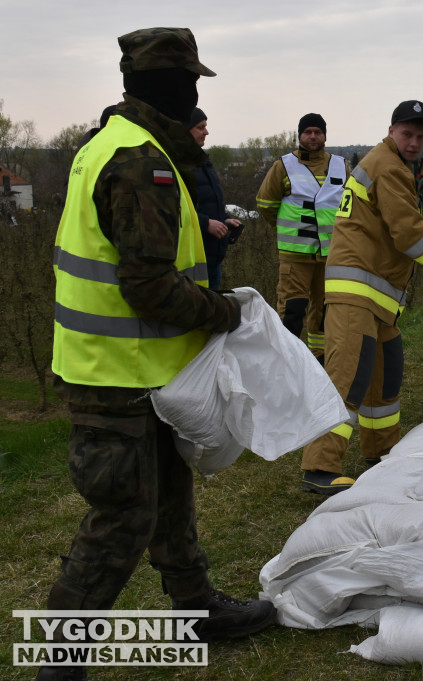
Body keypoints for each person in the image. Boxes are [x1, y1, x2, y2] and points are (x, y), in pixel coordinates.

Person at [42, 27, 275, 681]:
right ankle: (59, 661)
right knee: (122, 515)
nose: (196, 93)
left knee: (170, 493)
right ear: (168, 86)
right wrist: (224, 311)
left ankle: (197, 606)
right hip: (113, 374)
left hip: (136, 368)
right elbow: (146, 286)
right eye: (191, 82)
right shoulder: (140, 160)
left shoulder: (107, 143)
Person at [298, 100, 423, 495]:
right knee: (348, 378)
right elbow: (409, 236)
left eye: (421, 136)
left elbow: (403, 223)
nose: (415, 142)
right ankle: (320, 466)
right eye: (408, 134)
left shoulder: (395, 166)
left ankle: (382, 450)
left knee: (384, 376)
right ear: (392, 130)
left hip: (377, 297)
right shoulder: (388, 166)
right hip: (355, 292)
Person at [256, 113, 347, 360]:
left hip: (331, 253)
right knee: (292, 311)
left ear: (325, 135)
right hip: (295, 254)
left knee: (326, 310)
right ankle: (288, 362)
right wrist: (288, 228)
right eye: (308, 132)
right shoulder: (283, 166)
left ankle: (319, 358)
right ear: (300, 136)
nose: (313, 136)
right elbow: (265, 204)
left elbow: (351, 206)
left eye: (318, 131)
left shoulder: (341, 165)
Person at [188, 107, 242, 290]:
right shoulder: (179, 164)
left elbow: (207, 203)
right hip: (193, 262)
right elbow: (175, 210)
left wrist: (224, 219)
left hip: (212, 259)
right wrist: (205, 224)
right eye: (200, 127)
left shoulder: (203, 162)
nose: (206, 132)